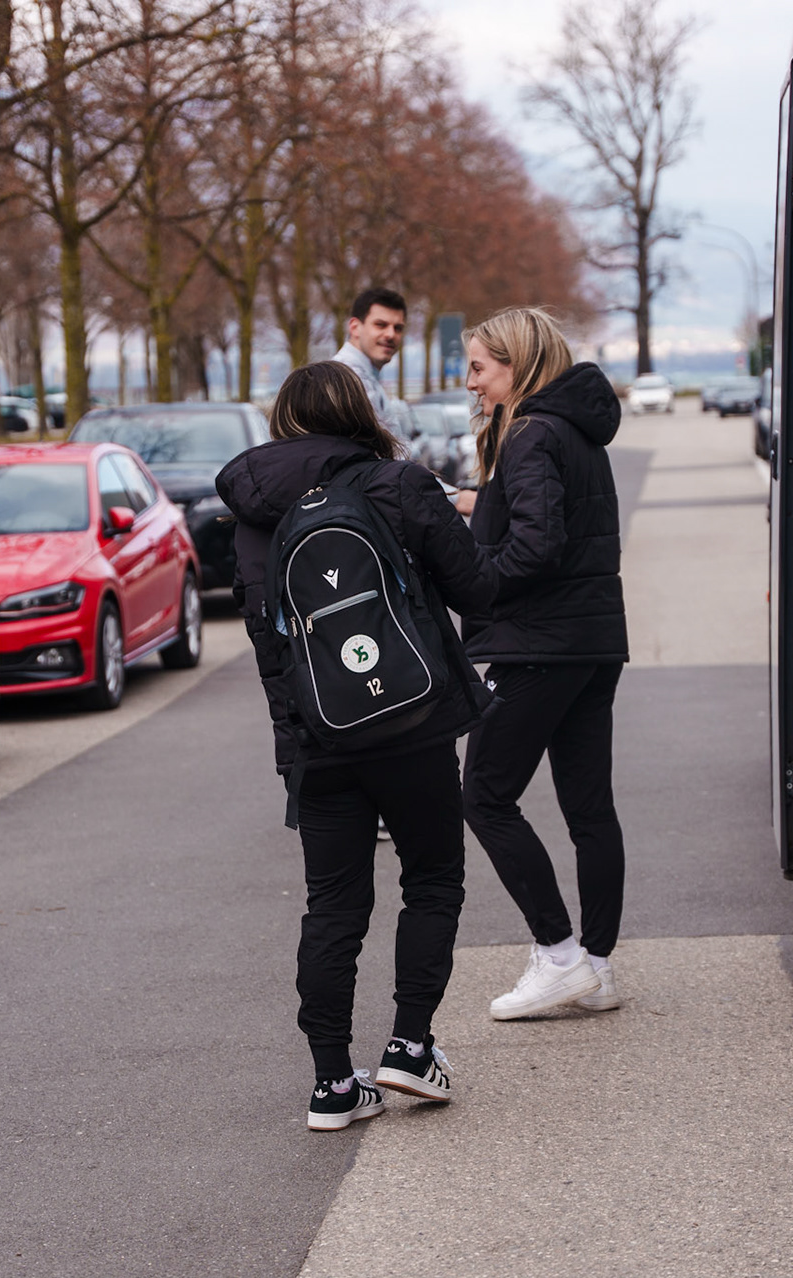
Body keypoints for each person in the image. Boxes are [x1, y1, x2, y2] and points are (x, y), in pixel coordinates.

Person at [215, 360, 497, 1131]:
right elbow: (475, 589)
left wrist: (295, 740)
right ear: (358, 412)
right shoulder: (397, 484)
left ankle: (334, 1085)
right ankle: (410, 1047)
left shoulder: (251, 515)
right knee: (433, 879)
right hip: (414, 726)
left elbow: (268, 644)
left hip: (317, 738)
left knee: (332, 906)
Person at [458, 307, 630, 1020]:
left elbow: (537, 546)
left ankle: (558, 955)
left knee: (485, 796)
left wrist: (476, 578)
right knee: (590, 808)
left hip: (538, 646)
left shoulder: (528, 433)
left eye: (479, 368)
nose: (470, 384)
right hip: (593, 641)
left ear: (517, 364)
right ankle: (596, 965)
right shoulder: (577, 431)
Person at [332, 287, 411, 435]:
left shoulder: (366, 378)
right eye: (380, 325)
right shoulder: (345, 382)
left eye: (398, 328)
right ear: (355, 328)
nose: (391, 334)